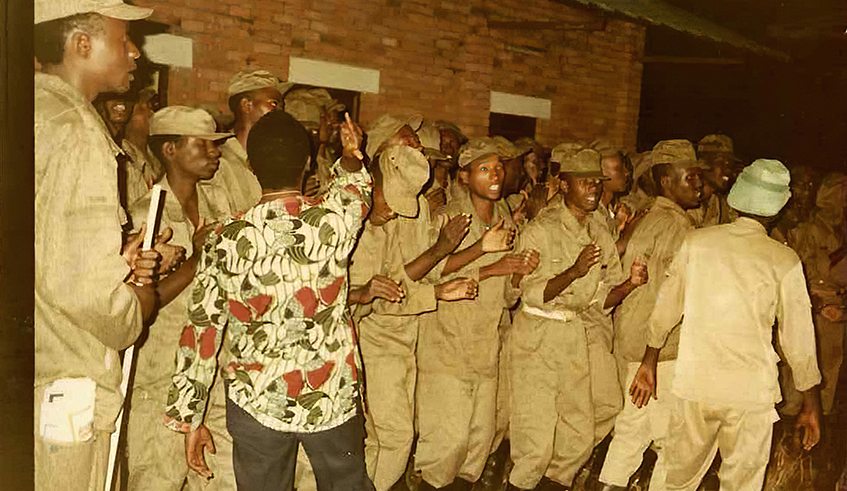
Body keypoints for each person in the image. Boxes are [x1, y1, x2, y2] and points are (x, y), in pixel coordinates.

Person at [165, 109, 375, 490]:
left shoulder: (224, 238)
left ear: (251, 166)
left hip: (256, 402)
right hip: (331, 397)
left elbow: (201, 333)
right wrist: (350, 153)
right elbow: (356, 187)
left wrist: (190, 418)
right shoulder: (335, 221)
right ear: (308, 163)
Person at [33, 1, 165, 490]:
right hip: (62, 384)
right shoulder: (78, 131)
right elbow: (88, 295)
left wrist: (115, 255)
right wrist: (137, 302)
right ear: (82, 44)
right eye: (124, 36)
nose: (134, 52)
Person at [630, 159, 822, 491]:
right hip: (751, 395)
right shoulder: (785, 260)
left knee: (676, 481)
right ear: (777, 209)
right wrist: (811, 405)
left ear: (737, 197)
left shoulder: (697, 242)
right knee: (742, 485)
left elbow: (665, 310)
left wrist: (649, 361)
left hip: (696, 386)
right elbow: (800, 344)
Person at [507, 148, 646, 491]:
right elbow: (528, 291)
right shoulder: (542, 229)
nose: (593, 189)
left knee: (578, 436)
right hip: (538, 333)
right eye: (583, 182)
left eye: (596, 182)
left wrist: (630, 283)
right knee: (534, 442)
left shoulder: (599, 229)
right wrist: (574, 271)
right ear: (563, 184)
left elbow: (603, 291)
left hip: (574, 332)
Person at [348, 144, 477, 491]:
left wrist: (437, 286)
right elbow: (371, 296)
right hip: (372, 339)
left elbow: (399, 281)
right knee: (396, 437)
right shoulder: (350, 220)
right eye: (388, 202)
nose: (391, 213)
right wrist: (436, 284)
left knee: (380, 439)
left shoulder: (399, 215)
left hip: (402, 337)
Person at [416, 137, 539, 490]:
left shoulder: (505, 219)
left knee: (476, 448)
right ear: (465, 178)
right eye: (484, 170)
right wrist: (488, 263)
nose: (495, 175)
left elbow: (509, 295)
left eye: (499, 168)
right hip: (447, 347)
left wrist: (518, 273)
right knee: (446, 446)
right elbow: (429, 271)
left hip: (487, 347)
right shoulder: (447, 217)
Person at [126, 106, 234, 491]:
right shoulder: (147, 216)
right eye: (202, 144)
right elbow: (142, 304)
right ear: (169, 149)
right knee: (159, 478)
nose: (214, 152)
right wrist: (199, 260)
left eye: (215, 144)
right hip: (163, 375)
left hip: (216, 370)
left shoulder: (218, 206)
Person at [597, 142, 705, 491]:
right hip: (659, 353)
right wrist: (652, 358)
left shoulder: (651, 219)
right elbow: (670, 297)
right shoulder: (676, 228)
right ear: (664, 181)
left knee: (632, 437)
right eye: (691, 178)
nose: (699, 186)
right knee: (673, 443)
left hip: (638, 345)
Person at [201, 69, 291, 215]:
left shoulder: (273, 161)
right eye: (273, 104)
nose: (280, 113)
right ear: (246, 105)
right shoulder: (219, 165)